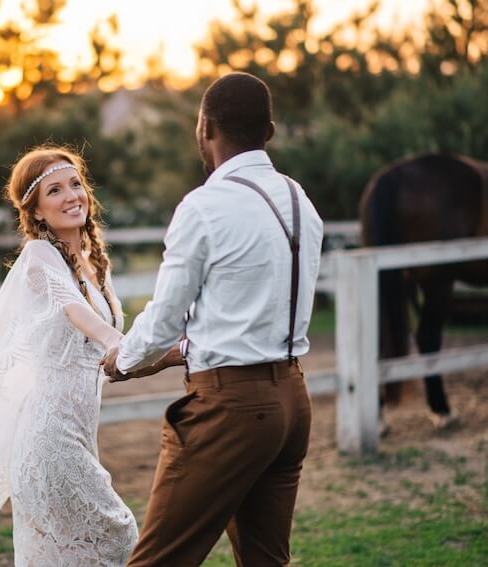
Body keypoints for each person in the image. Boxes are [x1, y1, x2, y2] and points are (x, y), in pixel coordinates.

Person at [102, 72, 324, 566]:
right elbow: (249, 311)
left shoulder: (204, 206)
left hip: (230, 409)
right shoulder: (299, 200)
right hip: (293, 400)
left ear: (204, 128)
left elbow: (165, 316)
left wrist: (124, 360)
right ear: (269, 132)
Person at [0, 146, 138, 566]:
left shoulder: (95, 262)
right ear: (37, 211)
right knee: (118, 536)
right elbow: (74, 310)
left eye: (75, 184)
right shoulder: (38, 256)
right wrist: (119, 342)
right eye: (54, 190)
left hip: (80, 432)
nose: (71, 196)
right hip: (49, 437)